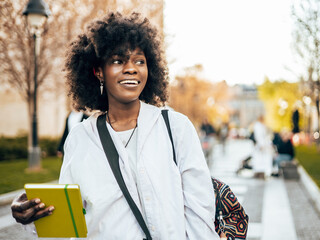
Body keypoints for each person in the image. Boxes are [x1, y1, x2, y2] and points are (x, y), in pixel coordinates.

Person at [11, 12, 219, 239]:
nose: (131, 68)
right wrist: (32, 214)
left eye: (140, 61)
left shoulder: (176, 128)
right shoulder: (80, 138)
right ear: (98, 71)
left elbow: (200, 212)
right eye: (118, 61)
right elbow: (69, 219)